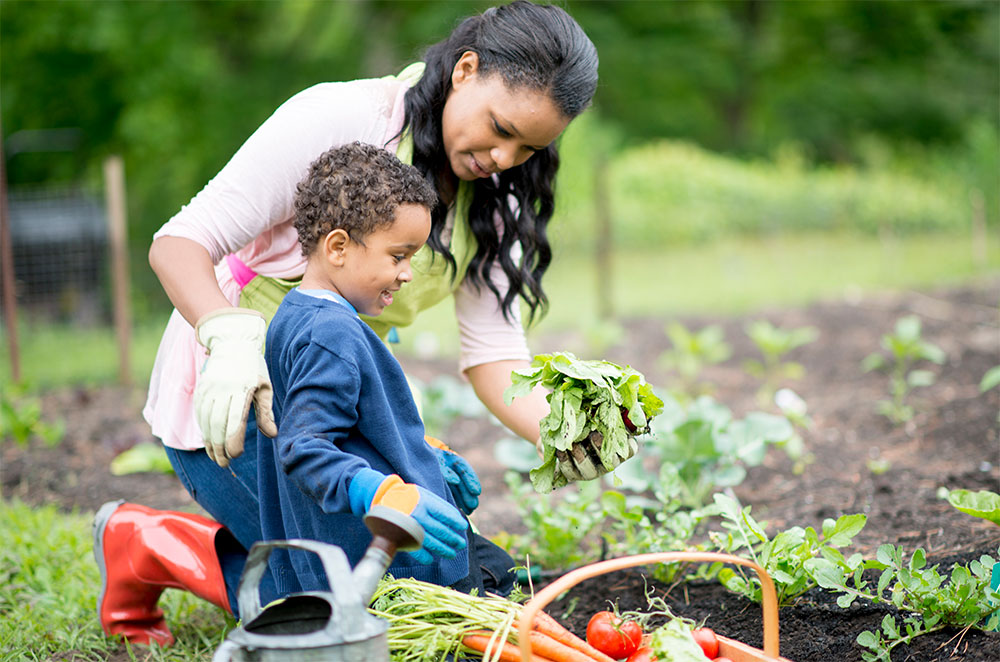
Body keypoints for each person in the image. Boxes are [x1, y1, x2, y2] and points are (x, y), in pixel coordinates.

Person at [93, 0, 628, 647]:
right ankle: (151, 544)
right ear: (465, 70)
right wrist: (229, 339)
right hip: (237, 409)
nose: (504, 157)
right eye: (499, 127)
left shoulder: (496, 193)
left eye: (528, 147)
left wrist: (568, 434)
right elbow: (180, 242)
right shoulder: (342, 119)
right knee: (350, 608)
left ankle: (194, 545)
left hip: (335, 409)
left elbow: (494, 351)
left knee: (462, 582)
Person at [256, 141, 510, 597]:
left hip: (380, 552)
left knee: (498, 570)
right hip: (389, 565)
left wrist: (428, 455)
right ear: (338, 247)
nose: (408, 272)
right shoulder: (330, 333)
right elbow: (305, 447)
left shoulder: (295, 315)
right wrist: (382, 495)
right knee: (498, 587)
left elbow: (346, 424)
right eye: (399, 256)